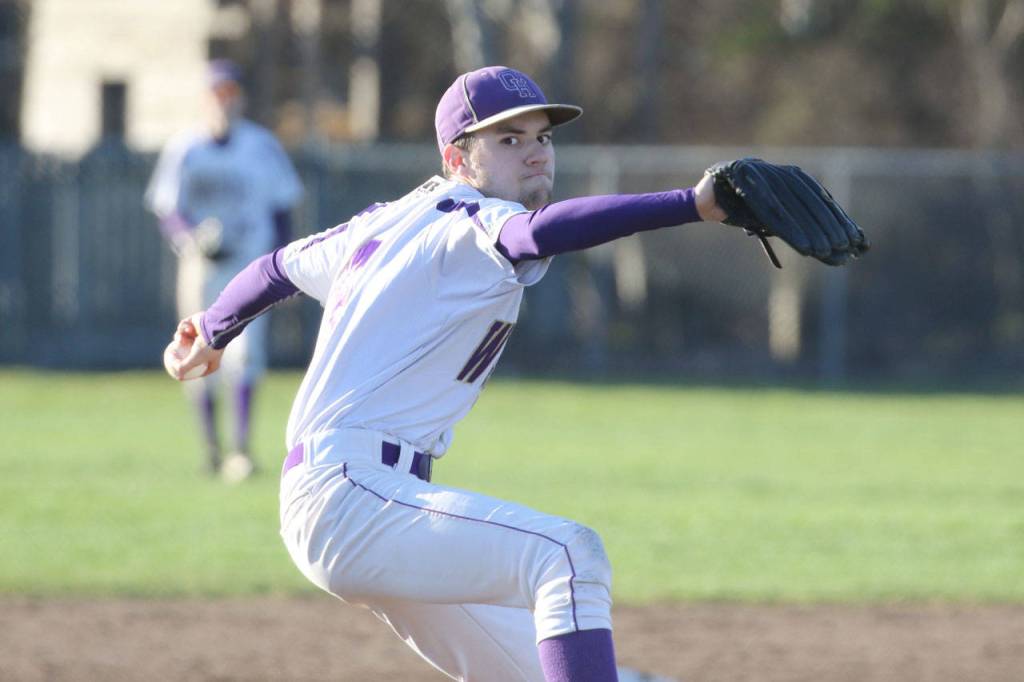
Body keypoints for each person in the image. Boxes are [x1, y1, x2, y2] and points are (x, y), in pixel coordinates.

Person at [166, 65, 727, 681]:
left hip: (372, 502)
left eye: (542, 136)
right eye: (507, 140)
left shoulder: (382, 222)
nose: (536, 153)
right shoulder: (468, 219)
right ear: (456, 157)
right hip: (354, 494)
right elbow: (538, 234)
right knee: (570, 555)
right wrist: (692, 205)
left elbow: (275, 268)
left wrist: (211, 330)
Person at [146, 59, 302, 481]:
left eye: (229, 92)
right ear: (204, 99)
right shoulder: (185, 147)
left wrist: (287, 270)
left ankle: (242, 449)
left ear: (240, 98)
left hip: (251, 265)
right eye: (216, 93)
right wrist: (192, 238)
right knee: (197, 352)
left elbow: (283, 206)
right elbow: (167, 208)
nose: (223, 101)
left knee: (247, 357)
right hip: (202, 265)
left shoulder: (261, 146)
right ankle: (212, 449)